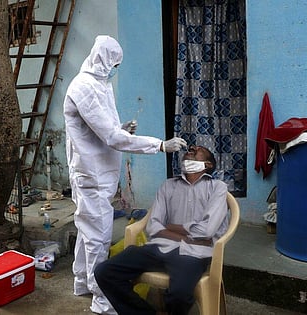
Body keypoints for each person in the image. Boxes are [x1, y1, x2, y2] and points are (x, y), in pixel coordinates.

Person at [63, 35, 187, 314]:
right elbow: (109, 137)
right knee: (97, 237)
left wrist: (121, 128)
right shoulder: (84, 87)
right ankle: (102, 298)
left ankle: (83, 282)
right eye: (115, 63)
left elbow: (104, 130)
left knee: (88, 232)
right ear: (103, 59)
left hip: (99, 173)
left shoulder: (99, 84)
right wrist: (159, 145)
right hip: (91, 174)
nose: (116, 68)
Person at [94, 145, 229, 315]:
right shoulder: (168, 186)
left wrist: (169, 227)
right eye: (190, 149)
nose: (191, 148)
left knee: (179, 295)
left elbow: (207, 230)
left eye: (197, 150)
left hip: (194, 254)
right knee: (104, 272)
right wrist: (185, 237)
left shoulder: (218, 188)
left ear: (208, 165)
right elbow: (154, 226)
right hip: (158, 248)